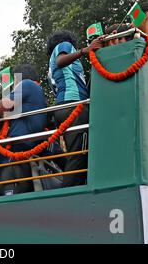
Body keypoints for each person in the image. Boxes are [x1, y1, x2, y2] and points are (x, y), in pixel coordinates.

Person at [47, 31, 101, 187]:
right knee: (79, 154)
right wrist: (85, 50)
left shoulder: (51, 68)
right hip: (72, 105)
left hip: (65, 106)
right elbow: (61, 61)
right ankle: (69, 194)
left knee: (77, 153)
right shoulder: (64, 45)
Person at [0, 64, 48, 196]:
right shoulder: (33, 93)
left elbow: (2, 107)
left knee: (8, 199)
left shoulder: (27, 84)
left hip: (17, 152)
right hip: (22, 151)